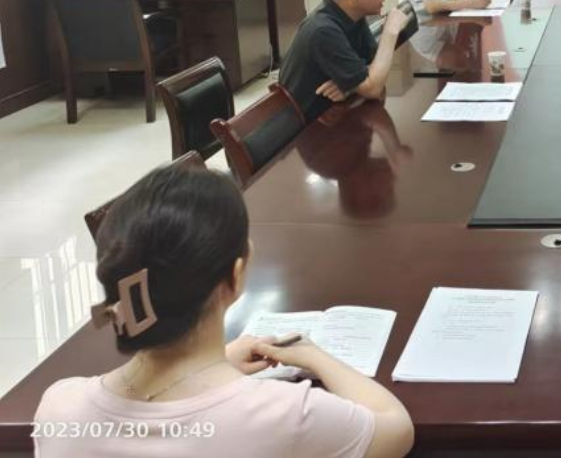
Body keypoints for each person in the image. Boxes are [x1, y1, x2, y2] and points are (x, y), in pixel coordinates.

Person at [34, 165, 414, 458]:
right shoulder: (283, 416)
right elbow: (396, 427)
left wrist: (220, 363)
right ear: (235, 276)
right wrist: (314, 355)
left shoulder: (58, 408)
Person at [279, 0, 409, 120]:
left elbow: (374, 66)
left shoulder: (353, 16)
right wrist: (390, 31)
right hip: (309, 128)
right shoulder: (323, 30)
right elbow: (373, 88)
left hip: (334, 114)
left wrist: (351, 86)